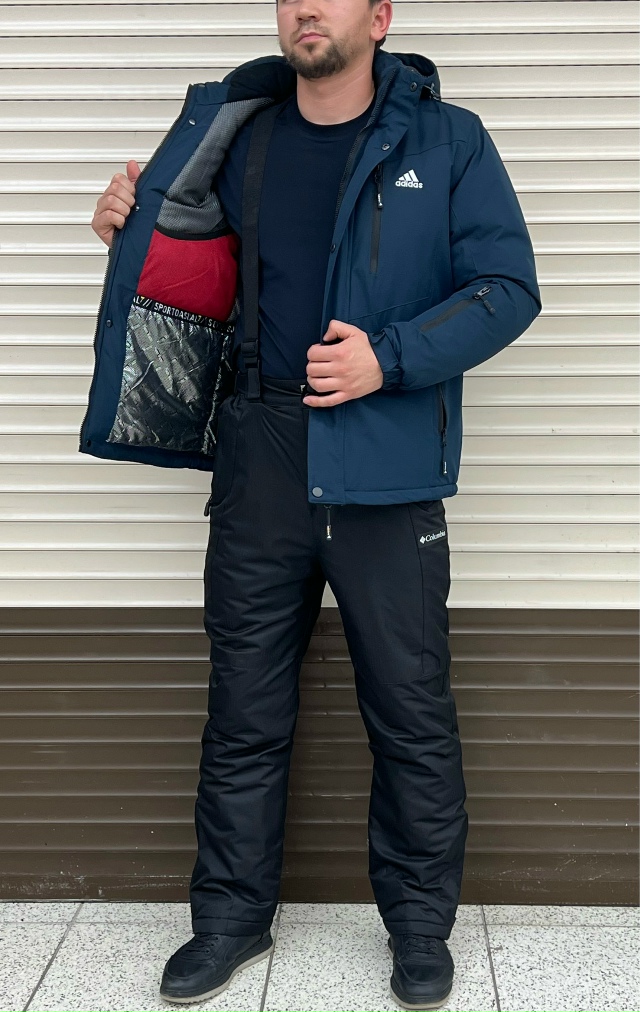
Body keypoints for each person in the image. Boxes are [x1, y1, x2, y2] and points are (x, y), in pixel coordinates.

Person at [88, 0, 541, 1007]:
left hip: (386, 461)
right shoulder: (239, 133)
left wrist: (391, 358)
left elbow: (508, 287)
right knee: (243, 712)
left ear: (377, 17)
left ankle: (419, 929)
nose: (306, 8)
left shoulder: (446, 139)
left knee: (410, 713)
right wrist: (129, 231)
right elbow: (195, 269)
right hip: (261, 455)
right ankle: (228, 921)